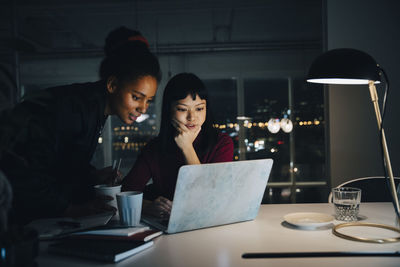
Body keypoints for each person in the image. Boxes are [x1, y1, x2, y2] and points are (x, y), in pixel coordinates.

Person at [0, 27, 161, 225]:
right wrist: (72, 209)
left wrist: (93, 175)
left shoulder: (93, 107)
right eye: (136, 97)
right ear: (112, 85)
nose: (142, 108)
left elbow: (63, 162)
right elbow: (27, 172)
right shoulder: (75, 108)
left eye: (148, 101)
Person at [122, 73, 233, 218]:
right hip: (167, 226)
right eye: (182, 109)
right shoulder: (155, 148)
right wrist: (148, 206)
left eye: (199, 108)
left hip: (210, 223)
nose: (192, 117)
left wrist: (186, 147)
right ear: (169, 110)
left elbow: (209, 199)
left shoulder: (222, 143)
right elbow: (125, 194)